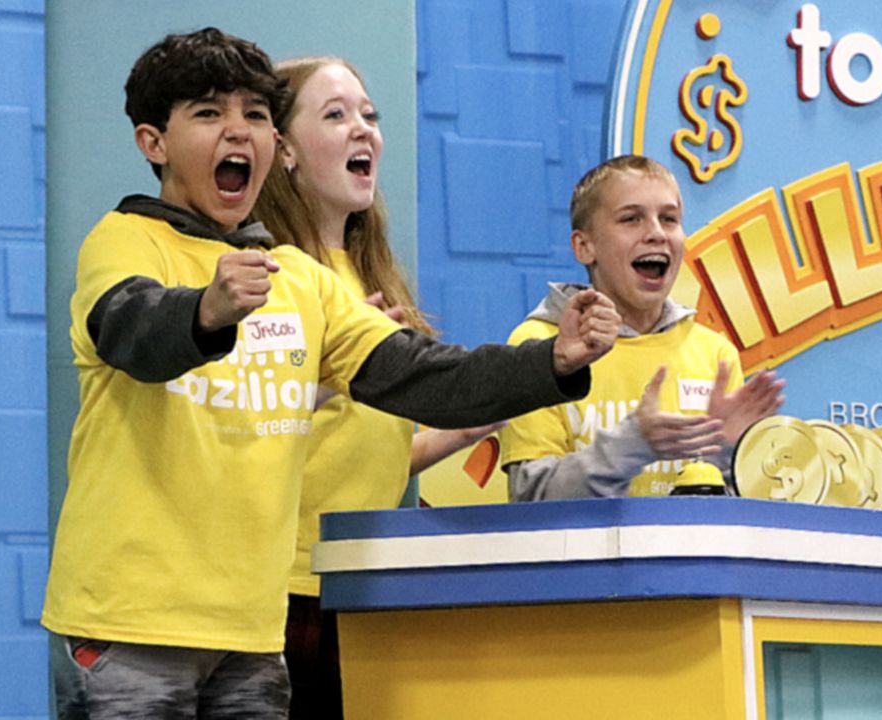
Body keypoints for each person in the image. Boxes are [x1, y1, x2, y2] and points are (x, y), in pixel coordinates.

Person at [43, 28, 618, 719]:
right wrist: (209, 310)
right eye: (207, 113)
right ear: (152, 143)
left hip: (252, 638)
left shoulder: (306, 284)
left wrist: (551, 362)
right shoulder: (124, 241)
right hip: (128, 629)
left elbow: (420, 375)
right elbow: (131, 329)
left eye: (254, 115)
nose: (239, 132)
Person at [251, 55, 497, 719]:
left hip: (366, 583)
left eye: (369, 114)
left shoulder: (366, 274)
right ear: (285, 151)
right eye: (336, 115)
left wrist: (468, 426)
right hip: (289, 591)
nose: (364, 130)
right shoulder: (270, 275)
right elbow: (239, 430)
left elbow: (367, 449)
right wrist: (329, 382)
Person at [501, 155, 784, 500]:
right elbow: (532, 499)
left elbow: (737, 520)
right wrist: (632, 443)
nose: (655, 234)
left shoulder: (715, 354)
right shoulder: (541, 345)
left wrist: (725, 455)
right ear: (584, 246)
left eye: (669, 219)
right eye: (631, 219)